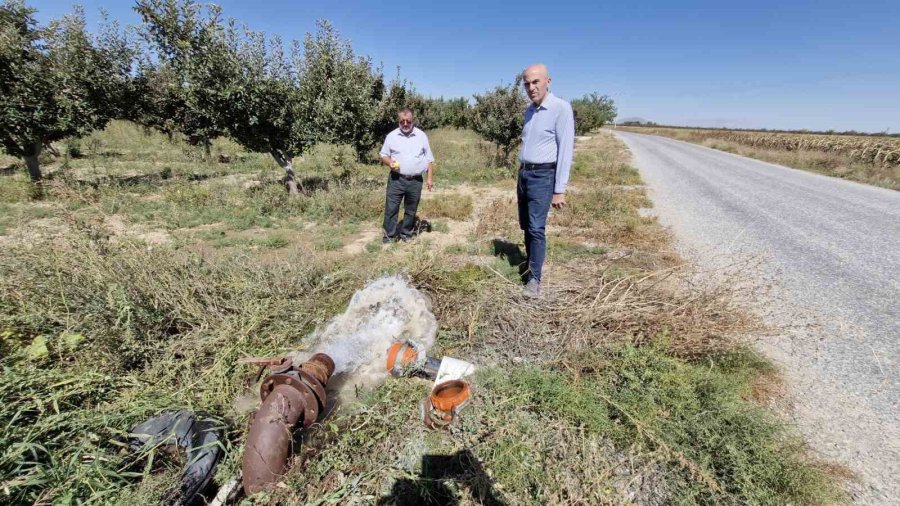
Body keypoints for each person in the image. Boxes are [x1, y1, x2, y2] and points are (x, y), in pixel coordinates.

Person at [517, 63, 575, 296]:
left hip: (543, 175)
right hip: (524, 174)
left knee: (536, 227)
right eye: (527, 84)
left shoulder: (561, 108)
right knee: (525, 225)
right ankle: (531, 263)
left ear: (548, 81)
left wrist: (559, 189)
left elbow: (565, 149)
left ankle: (534, 279)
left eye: (536, 82)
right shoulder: (529, 111)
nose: (531, 87)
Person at [380, 108, 435, 243]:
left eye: (408, 121)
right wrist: (389, 163)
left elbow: (429, 159)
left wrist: (429, 178)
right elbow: (383, 155)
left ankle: (406, 234)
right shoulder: (392, 136)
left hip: (415, 181)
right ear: (398, 121)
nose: (405, 124)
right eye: (402, 121)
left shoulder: (421, 136)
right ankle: (389, 237)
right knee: (391, 209)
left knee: (411, 210)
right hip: (396, 179)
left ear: (412, 121)